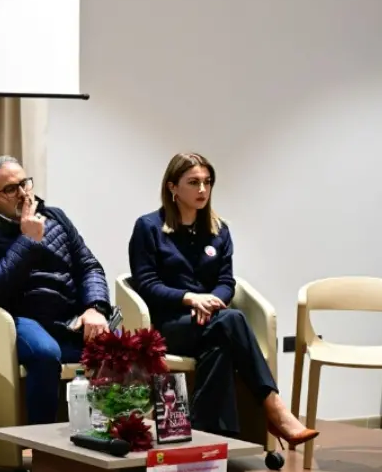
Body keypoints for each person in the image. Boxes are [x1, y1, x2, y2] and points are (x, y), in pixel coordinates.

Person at [127, 152, 317, 445]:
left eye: (207, 182)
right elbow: (147, 284)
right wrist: (191, 299)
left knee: (220, 346)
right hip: (169, 324)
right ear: (172, 187)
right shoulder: (149, 227)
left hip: (211, 321)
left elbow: (227, 282)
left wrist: (212, 301)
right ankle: (275, 409)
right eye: (193, 182)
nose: (203, 189)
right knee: (232, 320)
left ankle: (207, 440)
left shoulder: (219, 230)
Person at [0, 155, 117, 425]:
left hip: (68, 316)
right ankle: (39, 441)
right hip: (21, 317)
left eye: (25, 184)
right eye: (11, 189)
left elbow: (89, 267)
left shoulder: (56, 218)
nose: (23, 193)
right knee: (45, 352)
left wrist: (95, 308)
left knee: (122, 346)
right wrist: (27, 241)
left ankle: (109, 434)